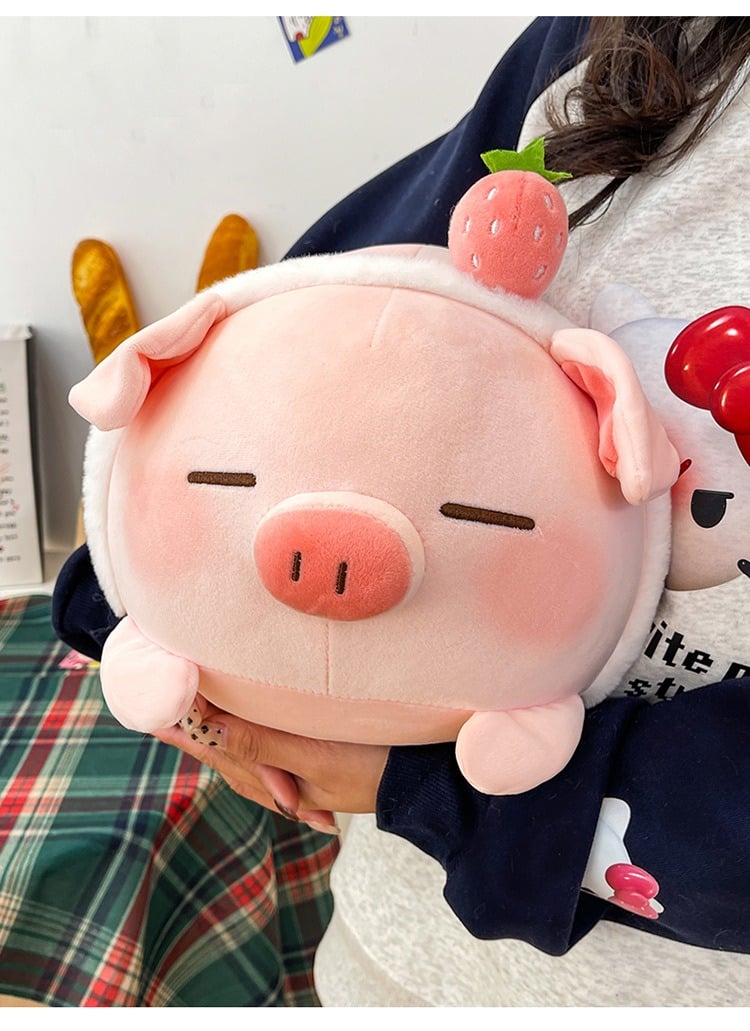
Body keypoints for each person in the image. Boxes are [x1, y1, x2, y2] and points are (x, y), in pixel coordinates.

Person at [53, 16, 750, 1007]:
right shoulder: (634, 37)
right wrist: (146, 601)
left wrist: (430, 789)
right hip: (387, 959)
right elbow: (331, 319)